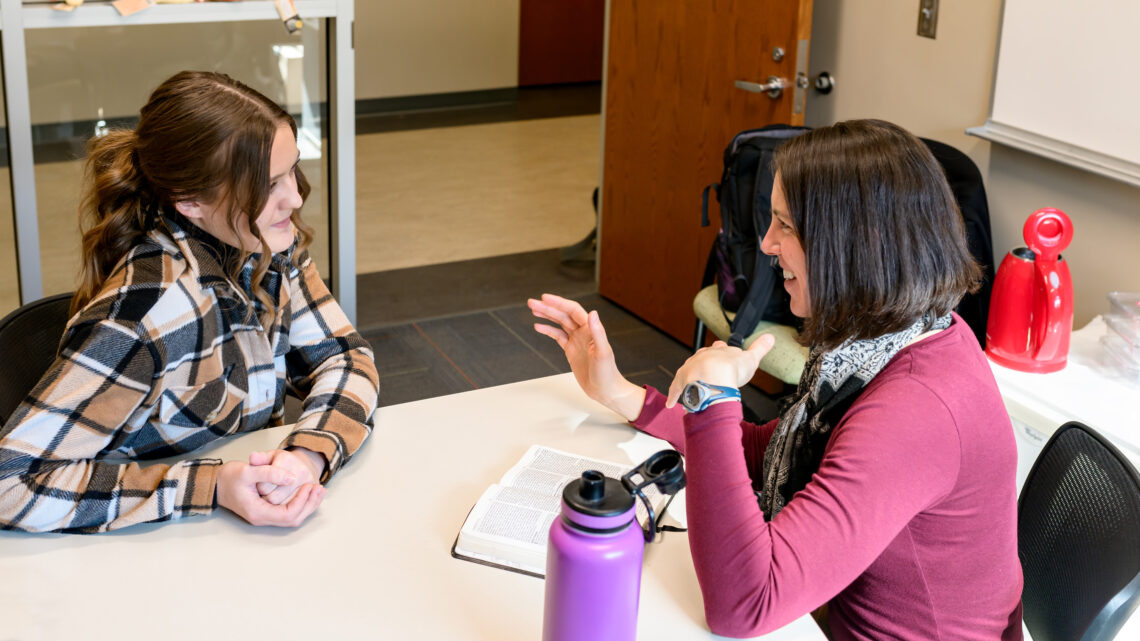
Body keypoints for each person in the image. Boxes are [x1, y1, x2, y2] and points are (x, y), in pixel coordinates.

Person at [530, 120, 1023, 639]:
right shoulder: (887, 339)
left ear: (852, 244)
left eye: (785, 226)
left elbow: (743, 605)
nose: (766, 244)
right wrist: (623, 395)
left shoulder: (915, 409)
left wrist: (715, 400)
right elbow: (772, 453)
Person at [0, 71, 378, 533]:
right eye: (268, 184)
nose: (295, 197)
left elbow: (345, 357)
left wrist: (308, 454)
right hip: (142, 553)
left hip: (240, 536)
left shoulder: (269, 249)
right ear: (189, 200)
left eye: (292, 171)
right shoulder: (147, 314)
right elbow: (10, 482)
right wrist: (211, 485)